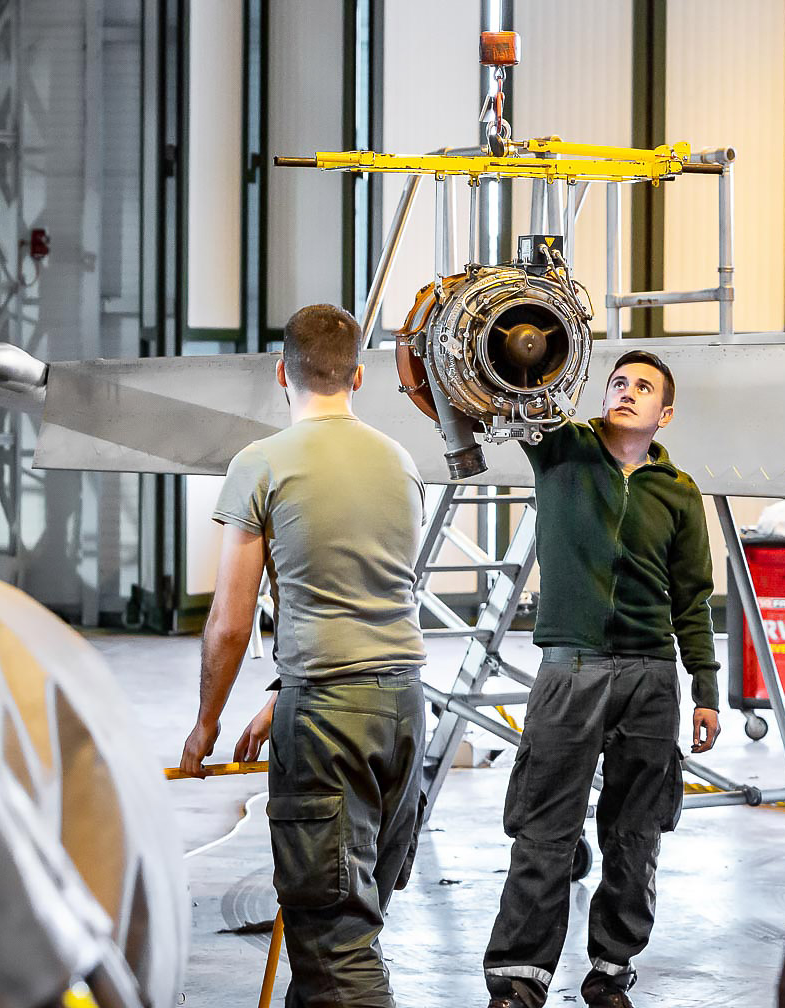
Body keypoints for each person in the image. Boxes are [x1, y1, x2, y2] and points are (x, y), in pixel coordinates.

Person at [177, 303, 427, 1008]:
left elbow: (229, 623)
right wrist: (282, 689)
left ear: (280, 373)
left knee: (333, 940)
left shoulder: (261, 463)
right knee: (347, 921)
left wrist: (206, 724)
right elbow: (364, 597)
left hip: (328, 722)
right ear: (359, 376)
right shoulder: (399, 462)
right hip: (404, 706)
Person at [484, 349, 721, 1008]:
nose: (627, 391)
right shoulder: (561, 451)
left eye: (643, 387)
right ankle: (518, 979)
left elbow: (692, 598)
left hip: (651, 676)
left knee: (636, 834)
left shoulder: (677, 494)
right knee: (543, 830)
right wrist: (526, 349)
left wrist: (704, 689)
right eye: (618, 381)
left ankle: (611, 968)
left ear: (664, 413)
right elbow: (514, 397)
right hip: (570, 669)